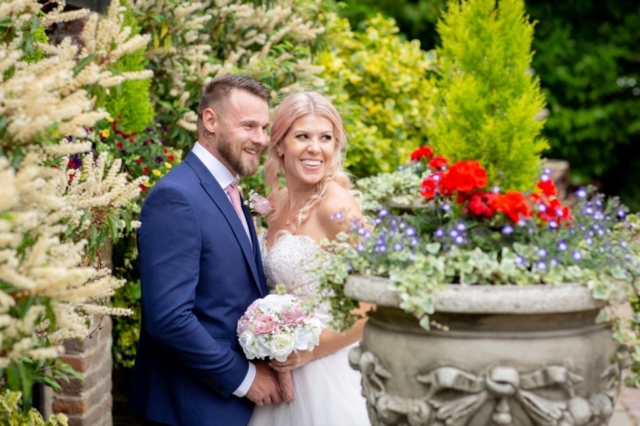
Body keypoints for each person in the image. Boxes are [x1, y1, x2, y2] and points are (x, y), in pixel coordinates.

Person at [129, 74, 282, 426]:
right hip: (194, 405)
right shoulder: (177, 197)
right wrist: (244, 379)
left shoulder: (227, 190)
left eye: (264, 128)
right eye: (248, 126)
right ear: (210, 121)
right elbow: (169, 320)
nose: (260, 139)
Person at [249, 91, 371, 425]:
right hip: (280, 376)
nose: (315, 148)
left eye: (326, 138)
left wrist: (312, 350)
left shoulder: (337, 207)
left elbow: (375, 301)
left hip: (328, 371)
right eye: (302, 136)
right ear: (279, 145)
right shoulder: (278, 203)